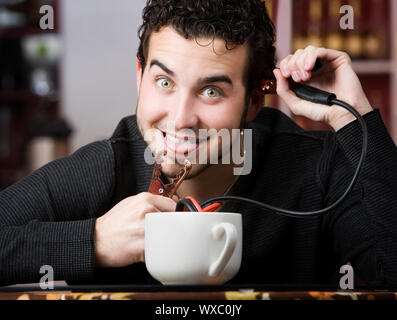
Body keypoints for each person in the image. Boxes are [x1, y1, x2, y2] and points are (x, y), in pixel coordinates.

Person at [0, 0, 396, 288]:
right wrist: (96, 241)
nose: (180, 118)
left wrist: (352, 115)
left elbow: (389, 271)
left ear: (255, 99)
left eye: (211, 92)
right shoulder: (105, 166)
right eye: (164, 83)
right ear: (140, 78)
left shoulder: (316, 167)